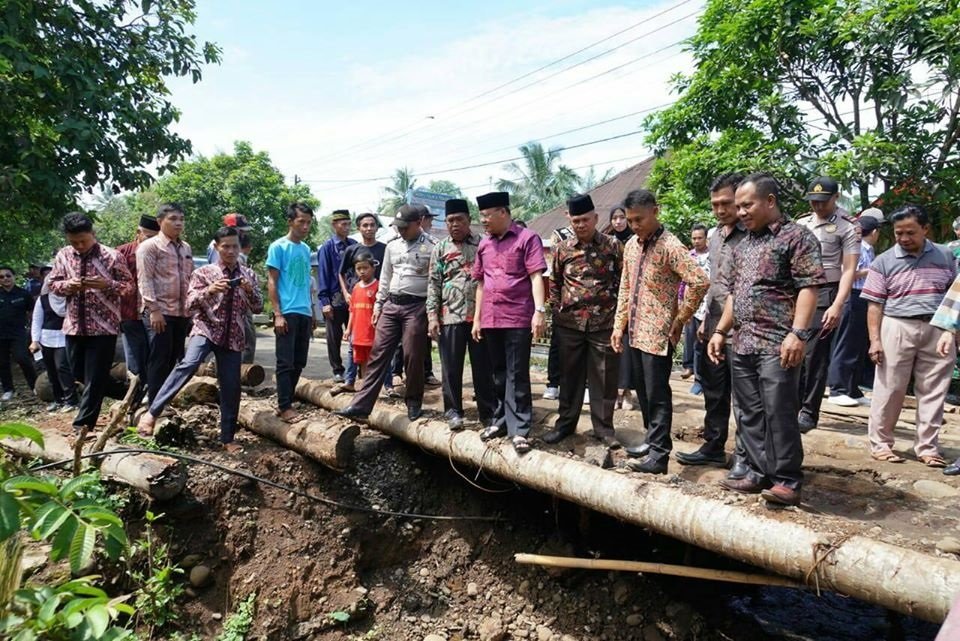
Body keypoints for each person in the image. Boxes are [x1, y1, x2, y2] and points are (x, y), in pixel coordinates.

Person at [707, 173, 824, 507]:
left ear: (770, 202)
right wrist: (720, 331)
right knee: (749, 412)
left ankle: (787, 479)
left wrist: (797, 334)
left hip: (777, 343)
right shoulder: (744, 245)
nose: (741, 212)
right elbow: (733, 294)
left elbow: (808, 287)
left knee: (779, 412)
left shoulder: (796, 238)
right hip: (743, 343)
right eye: (738, 206)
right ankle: (757, 472)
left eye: (747, 205)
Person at [137, 228, 262, 450]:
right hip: (206, 329)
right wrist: (211, 290)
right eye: (226, 246)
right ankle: (153, 411)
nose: (231, 251)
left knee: (231, 385)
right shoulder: (204, 273)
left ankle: (228, 439)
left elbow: (258, 306)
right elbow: (189, 304)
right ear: (216, 247)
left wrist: (249, 289)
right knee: (189, 363)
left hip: (233, 336)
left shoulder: (248, 275)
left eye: (235, 246)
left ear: (240, 248)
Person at [611, 190, 709, 474]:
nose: (634, 225)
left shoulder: (671, 246)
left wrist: (680, 319)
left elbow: (699, 282)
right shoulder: (631, 245)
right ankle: (651, 442)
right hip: (635, 331)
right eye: (630, 220)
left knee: (657, 395)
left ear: (656, 211)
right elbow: (625, 288)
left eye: (639, 219)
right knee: (642, 391)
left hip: (658, 334)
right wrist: (619, 326)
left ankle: (660, 455)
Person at [861, 205, 956, 467]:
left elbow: (955, 295)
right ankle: (881, 445)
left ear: (925, 229)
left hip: (937, 328)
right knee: (890, 389)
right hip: (896, 326)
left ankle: (927, 448)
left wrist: (952, 330)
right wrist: (875, 340)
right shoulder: (883, 261)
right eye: (898, 232)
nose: (903, 238)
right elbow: (874, 304)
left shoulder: (946, 256)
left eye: (910, 232)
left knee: (934, 391)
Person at [335, 205, 436, 421]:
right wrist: (379, 306)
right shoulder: (392, 247)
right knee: (378, 353)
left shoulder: (432, 246)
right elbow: (386, 278)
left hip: (417, 306)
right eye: (397, 227)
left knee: (412, 355)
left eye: (405, 227)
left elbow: (435, 283)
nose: (400, 231)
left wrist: (433, 312)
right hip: (391, 305)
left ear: (418, 224)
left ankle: (414, 401)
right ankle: (361, 405)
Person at [676, 173, 749, 472]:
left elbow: (740, 290)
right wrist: (707, 319)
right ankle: (714, 446)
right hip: (714, 323)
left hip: (744, 330)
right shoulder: (717, 235)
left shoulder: (753, 234)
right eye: (715, 204)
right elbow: (716, 283)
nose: (720, 209)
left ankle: (745, 458)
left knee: (745, 401)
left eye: (726, 203)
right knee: (714, 392)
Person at [541, 194, 623, 448]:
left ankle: (604, 430)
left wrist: (619, 314)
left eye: (585, 220)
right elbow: (553, 281)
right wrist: (556, 310)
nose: (580, 225)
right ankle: (565, 425)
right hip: (570, 324)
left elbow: (624, 280)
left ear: (595, 218)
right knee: (569, 377)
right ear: (570, 220)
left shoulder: (612, 246)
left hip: (604, 324)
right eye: (576, 220)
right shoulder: (563, 248)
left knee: (604, 377)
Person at [470, 193, 548, 453]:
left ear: (503, 212)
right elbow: (481, 283)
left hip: (517, 316)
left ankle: (520, 429)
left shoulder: (528, 239)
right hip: (491, 319)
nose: (483, 221)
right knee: (498, 373)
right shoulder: (484, 245)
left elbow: (536, 276)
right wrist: (478, 319)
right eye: (481, 216)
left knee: (517, 373)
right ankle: (501, 421)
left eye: (487, 215)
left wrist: (539, 311)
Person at [47, 212, 133, 433]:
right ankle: (128, 391)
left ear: (93, 234)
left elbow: (128, 287)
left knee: (94, 378)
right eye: (74, 242)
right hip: (74, 325)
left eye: (83, 241)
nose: (79, 246)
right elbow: (54, 283)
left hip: (103, 328)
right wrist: (69, 285)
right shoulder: (63, 255)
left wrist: (107, 285)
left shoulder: (112, 256)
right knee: (78, 373)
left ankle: (83, 425)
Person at [795, 177, 861, 433]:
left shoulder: (848, 227)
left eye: (822, 201)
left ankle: (808, 411)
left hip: (826, 291)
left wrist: (837, 305)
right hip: (799, 290)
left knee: (814, 355)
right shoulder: (803, 223)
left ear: (836, 197)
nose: (817, 206)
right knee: (795, 350)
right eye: (813, 201)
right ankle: (792, 403)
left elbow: (849, 270)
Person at [426, 198, 496, 431]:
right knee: (451, 368)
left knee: (483, 367)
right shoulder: (440, 248)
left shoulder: (484, 244)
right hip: (450, 317)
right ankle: (454, 411)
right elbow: (433, 284)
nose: (455, 224)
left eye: (459, 220)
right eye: (450, 220)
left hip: (479, 317)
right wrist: (432, 316)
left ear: (469, 221)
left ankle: (488, 413)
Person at [137, 203, 194, 405]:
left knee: (175, 359)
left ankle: (165, 400)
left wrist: (192, 312)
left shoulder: (185, 247)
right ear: (160, 222)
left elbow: (190, 279)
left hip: (182, 313)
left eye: (181, 219)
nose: (178, 223)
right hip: (160, 313)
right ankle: (153, 403)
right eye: (173, 219)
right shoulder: (149, 247)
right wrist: (154, 310)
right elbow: (145, 280)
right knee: (159, 359)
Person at [267, 202, 316, 423]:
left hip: (304, 312)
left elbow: (306, 282)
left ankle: (285, 402)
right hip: (287, 312)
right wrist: (277, 313)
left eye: (308, 223)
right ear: (290, 222)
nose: (305, 227)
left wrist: (312, 311)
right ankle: (284, 406)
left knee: (299, 361)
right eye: (301, 222)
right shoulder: (278, 247)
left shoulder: (305, 249)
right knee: (285, 362)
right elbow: (272, 281)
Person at [827, 214, 881, 406]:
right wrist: (872, 270)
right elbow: (848, 272)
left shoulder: (869, 250)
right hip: (852, 295)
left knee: (858, 345)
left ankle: (852, 388)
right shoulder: (858, 249)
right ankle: (838, 388)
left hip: (864, 297)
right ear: (874, 232)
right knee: (846, 343)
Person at [335, 212, 386, 394]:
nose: (369, 228)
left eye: (372, 225)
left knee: (380, 347)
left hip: (378, 303)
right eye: (365, 225)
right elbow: (340, 273)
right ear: (359, 228)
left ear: (377, 227)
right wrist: (346, 293)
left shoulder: (384, 248)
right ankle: (350, 381)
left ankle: (385, 385)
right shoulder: (352, 250)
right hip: (357, 301)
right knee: (355, 347)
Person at [116, 214, 160, 415]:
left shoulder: (160, 253)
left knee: (154, 358)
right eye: (146, 236)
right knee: (134, 362)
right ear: (137, 233)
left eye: (154, 237)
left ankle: (153, 401)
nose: (149, 240)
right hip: (128, 315)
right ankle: (132, 402)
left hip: (152, 315)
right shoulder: (121, 253)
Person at [316, 210, 357, 384]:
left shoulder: (354, 245)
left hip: (354, 298)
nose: (346, 227)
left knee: (356, 335)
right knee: (334, 337)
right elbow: (323, 274)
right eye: (343, 224)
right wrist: (324, 302)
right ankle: (337, 370)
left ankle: (356, 369)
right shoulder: (327, 247)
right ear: (334, 225)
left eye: (348, 224)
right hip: (334, 299)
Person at [29, 273, 78, 412]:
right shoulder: (43, 300)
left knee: (62, 367)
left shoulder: (72, 298)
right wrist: (35, 340)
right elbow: (37, 321)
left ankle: (71, 400)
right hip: (46, 338)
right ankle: (58, 399)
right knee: (50, 370)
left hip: (66, 337)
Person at [604, 206, 636, 409]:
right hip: (610, 300)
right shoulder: (605, 241)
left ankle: (626, 391)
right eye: (614, 218)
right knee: (610, 346)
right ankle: (613, 390)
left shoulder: (636, 240)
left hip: (632, 300)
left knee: (627, 345)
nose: (618, 222)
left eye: (621, 217)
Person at [543, 224, 575, 401]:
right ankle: (553, 383)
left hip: (583, 305)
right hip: (562, 300)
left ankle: (581, 385)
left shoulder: (595, 236)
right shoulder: (559, 234)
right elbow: (554, 268)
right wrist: (555, 303)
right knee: (556, 345)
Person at [680, 223, 710, 392]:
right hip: (691, 304)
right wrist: (682, 302)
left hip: (708, 305)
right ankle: (692, 372)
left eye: (700, 238)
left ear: (706, 239)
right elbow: (683, 283)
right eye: (694, 238)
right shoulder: (688, 256)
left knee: (703, 342)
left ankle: (702, 379)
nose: (697, 241)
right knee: (692, 339)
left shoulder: (712, 256)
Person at [0, 265, 37, 401]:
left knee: (22, 358)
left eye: (8, 275)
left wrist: (33, 329)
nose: (5, 279)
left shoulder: (23, 294)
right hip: (1, 334)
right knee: (2, 362)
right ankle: (8, 389)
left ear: (14, 277)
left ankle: (35, 386)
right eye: (2, 277)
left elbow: (32, 312)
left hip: (18, 333)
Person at [345, 251, 379, 380]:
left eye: (365, 268)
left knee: (374, 360)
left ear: (373, 268)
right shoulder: (355, 288)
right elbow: (352, 310)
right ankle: (365, 386)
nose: (362, 271)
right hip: (358, 334)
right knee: (362, 361)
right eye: (358, 268)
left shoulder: (378, 286)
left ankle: (383, 386)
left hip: (372, 333)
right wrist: (349, 329)